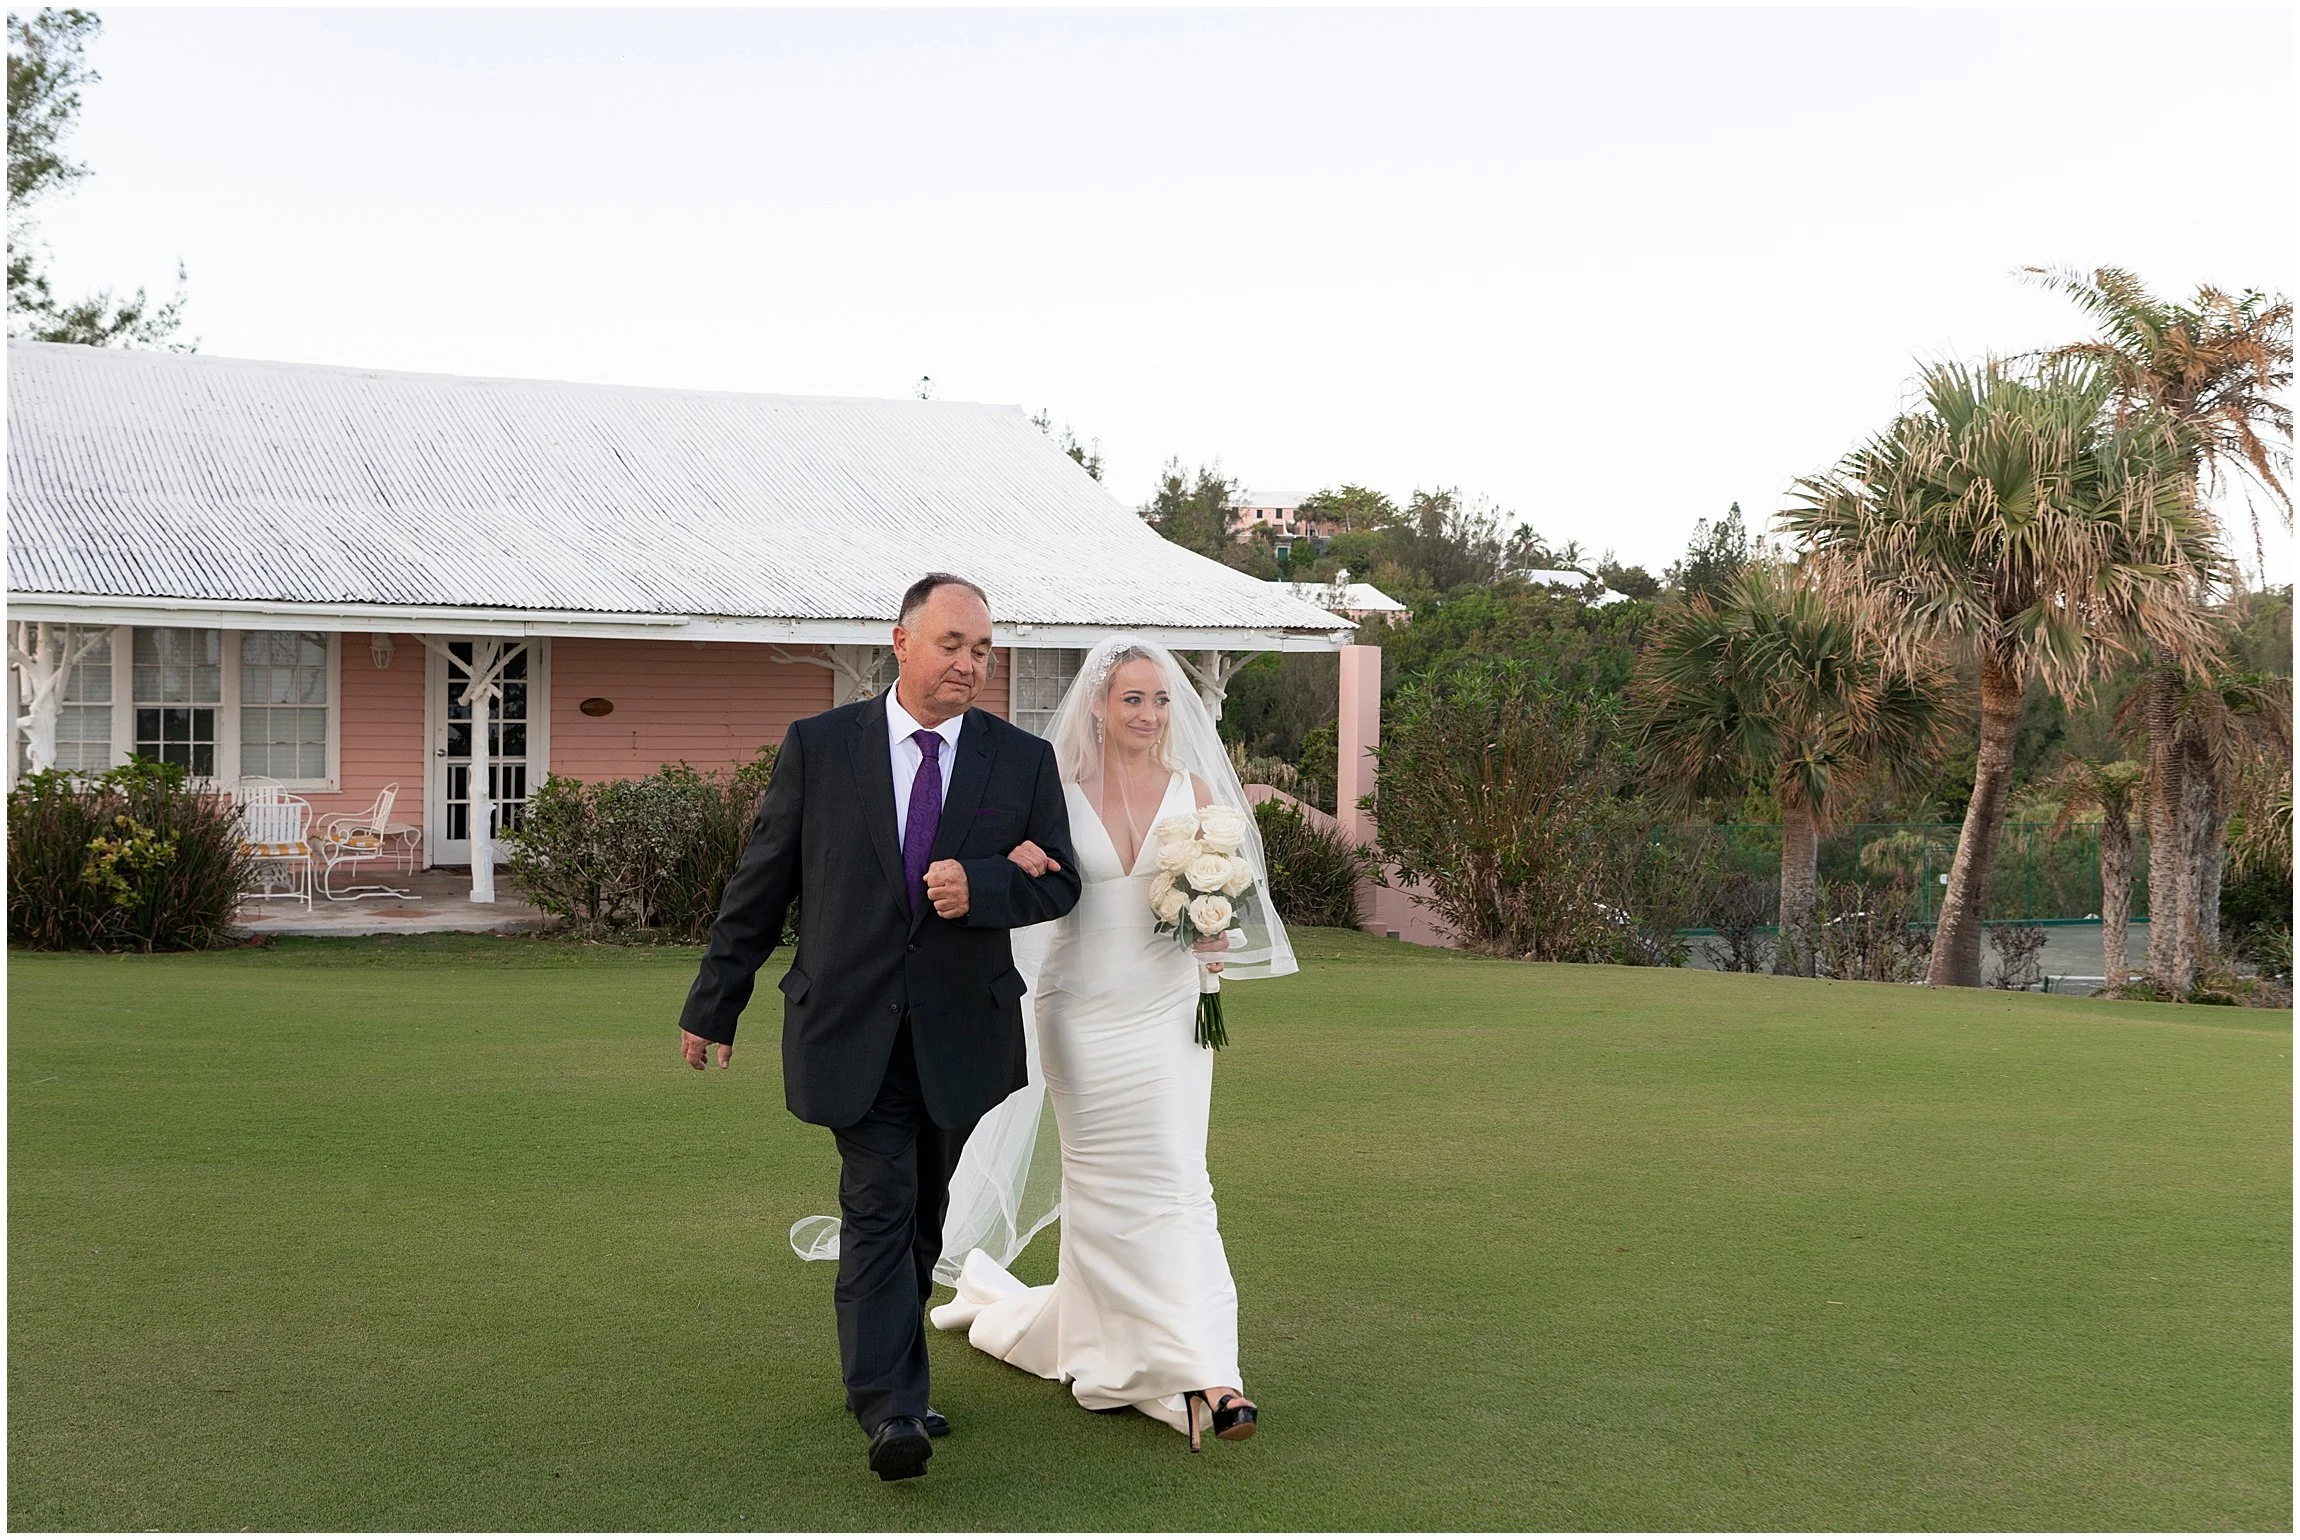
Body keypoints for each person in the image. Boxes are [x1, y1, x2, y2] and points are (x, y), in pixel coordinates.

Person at [678, 573, 1082, 1483]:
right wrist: (715, 1002)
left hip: (960, 1038)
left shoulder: (1018, 760)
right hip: (848, 1027)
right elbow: (761, 886)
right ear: (900, 642)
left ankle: (897, 1378)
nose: (969, 665)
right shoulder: (820, 748)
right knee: (878, 1203)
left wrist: (983, 886)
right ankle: (893, 1408)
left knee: (924, 1219)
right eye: (952, 645)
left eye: (982, 650)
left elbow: (1059, 883)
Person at [928, 637, 1298, 1453]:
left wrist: (1213, 937)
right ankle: (1116, 1349)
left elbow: (1228, 897)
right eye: (1133, 699)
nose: (1150, 714)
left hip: (1169, 1015)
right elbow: (1024, 885)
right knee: (1100, 1190)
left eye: (1162, 700)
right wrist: (1012, 862)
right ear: (1099, 704)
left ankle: (1211, 1373)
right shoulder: (1054, 792)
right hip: (1081, 1014)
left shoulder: (1197, 791)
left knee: (1178, 1183)